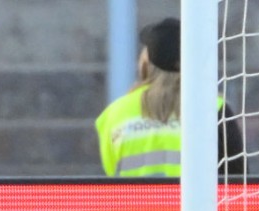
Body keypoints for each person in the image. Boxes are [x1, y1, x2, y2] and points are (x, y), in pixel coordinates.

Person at [95, 17, 246, 177]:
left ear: (146, 60)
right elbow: (239, 182)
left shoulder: (114, 114)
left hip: (134, 202)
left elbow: (111, 174)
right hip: (198, 203)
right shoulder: (215, 108)